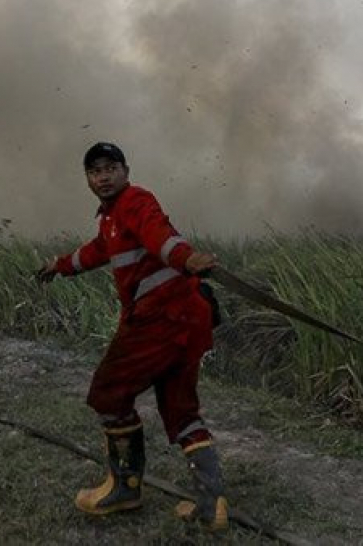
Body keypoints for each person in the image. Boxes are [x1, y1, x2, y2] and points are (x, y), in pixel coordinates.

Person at [35, 142, 228, 530]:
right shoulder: (110, 219)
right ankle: (212, 509)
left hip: (161, 320)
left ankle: (125, 489)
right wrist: (58, 266)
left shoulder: (136, 202)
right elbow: (95, 252)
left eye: (110, 168)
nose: (103, 177)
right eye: (95, 171)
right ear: (88, 179)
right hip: (187, 320)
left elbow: (160, 236)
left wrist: (187, 258)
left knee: (109, 394)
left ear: (126, 170)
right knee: (181, 411)